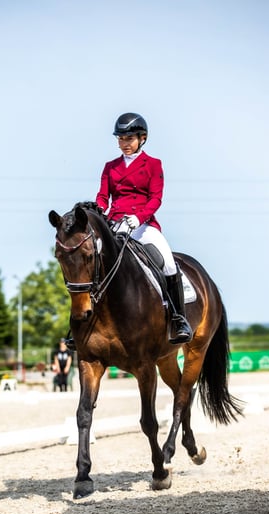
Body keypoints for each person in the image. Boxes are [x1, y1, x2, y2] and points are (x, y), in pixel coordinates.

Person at [95, 112, 193, 345]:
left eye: (129, 139)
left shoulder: (153, 164)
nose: (124, 144)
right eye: (120, 139)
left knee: (168, 261)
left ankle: (179, 318)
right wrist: (99, 211)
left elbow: (155, 198)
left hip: (142, 224)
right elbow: (102, 196)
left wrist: (138, 218)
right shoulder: (110, 167)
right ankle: (84, 320)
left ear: (142, 138)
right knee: (91, 260)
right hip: (114, 223)